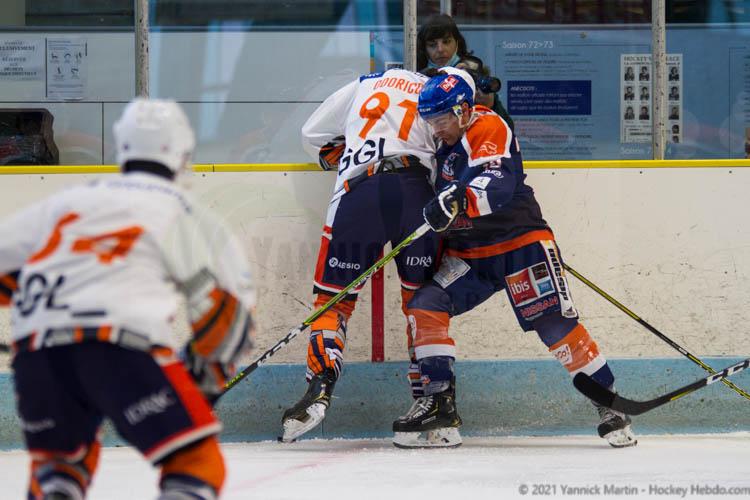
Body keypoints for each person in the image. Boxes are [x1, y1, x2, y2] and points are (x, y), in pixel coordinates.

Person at [0, 98, 256, 500]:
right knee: (196, 463)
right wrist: (204, 380)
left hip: (37, 355)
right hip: (120, 349)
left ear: (121, 146)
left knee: (60, 468)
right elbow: (228, 313)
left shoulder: (68, 201)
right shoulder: (183, 210)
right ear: (183, 153)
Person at [391, 68, 637, 449]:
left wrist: (457, 199)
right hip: (472, 257)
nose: (436, 128)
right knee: (425, 304)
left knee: (552, 324)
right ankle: (440, 408)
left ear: (463, 110)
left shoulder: (488, 126)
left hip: (519, 246)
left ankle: (611, 405)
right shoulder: (440, 144)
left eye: (441, 119)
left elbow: (498, 184)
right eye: (431, 121)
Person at [280, 68, 441, 443]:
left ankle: (319, 388)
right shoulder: (433, 91)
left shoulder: (366, 83)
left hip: (361, 190)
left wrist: (346, 152)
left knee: (332, 302)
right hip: (417, 193)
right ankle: (433, 405)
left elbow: (311, 135)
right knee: (421, 302)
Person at [456, 54, 514, 131]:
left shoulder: (486, 95)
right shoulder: (450, 92)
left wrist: (489, 107)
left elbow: (508, 128)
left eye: (473, 76)